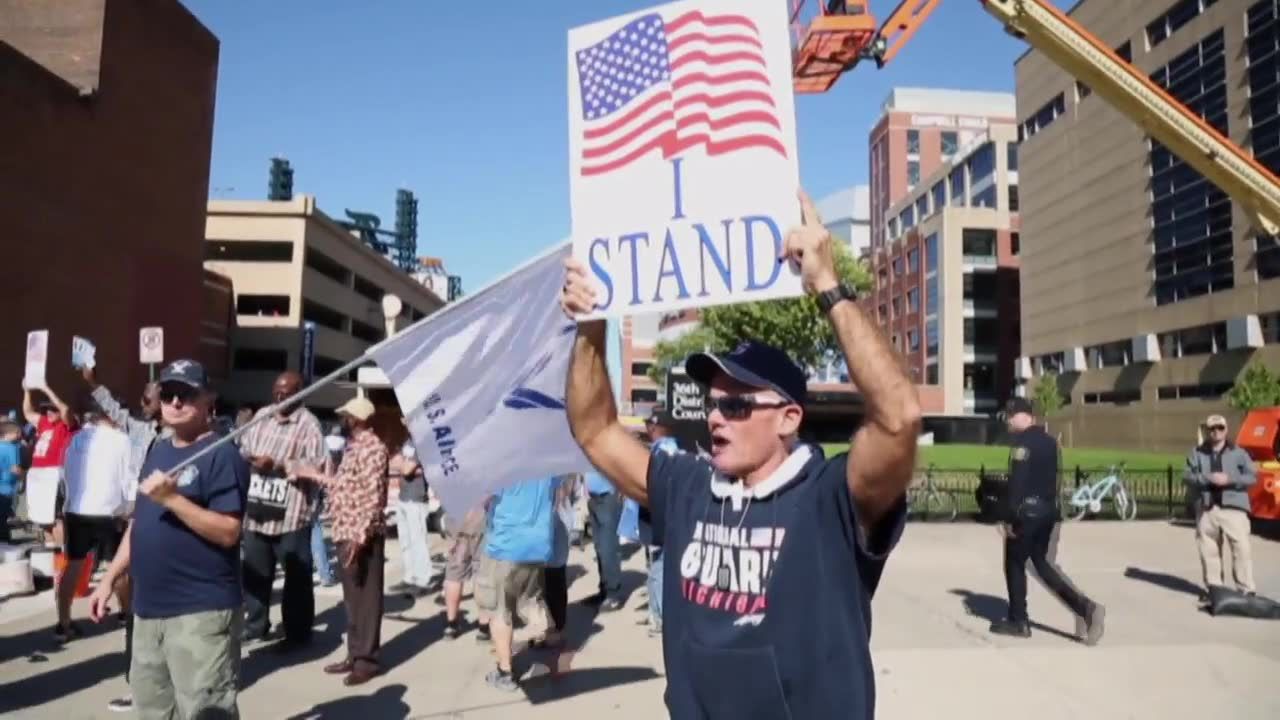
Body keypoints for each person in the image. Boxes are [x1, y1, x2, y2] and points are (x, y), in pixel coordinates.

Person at [560, 190, 920, 718]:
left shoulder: (832, 498)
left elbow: (900, 418)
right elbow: (594, 430)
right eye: (713, 403)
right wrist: (593, 323)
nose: (714, 417)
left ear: (789, 418)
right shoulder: (687, 486)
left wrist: (826, 285)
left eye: (735, 404)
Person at [87, 359, 249, 719]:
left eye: (187, 394)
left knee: (204, 712)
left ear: (209, 400)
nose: (175, 402)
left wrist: (173, 500)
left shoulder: (222, 455)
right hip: (147, 612)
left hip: (200, 612)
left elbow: (228, 531)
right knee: (152, 711)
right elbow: (139, 524)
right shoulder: (158, 452)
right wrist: (108, 579)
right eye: (169, 394)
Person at [991, 397, 1105, 644]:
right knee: (1041, 564)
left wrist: (1010, 518)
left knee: (1013, 562)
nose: (1008, 421)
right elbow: (1054, 479)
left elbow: (1018, 485)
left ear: (1025, 416)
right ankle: (1086, 608)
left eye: (1011, 416)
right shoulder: (1050, 442)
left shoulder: (1022, 445)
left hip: (1026, 515)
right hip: (1047, 513)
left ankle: (1018, 620)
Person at [294, 396, 389, 687]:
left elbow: (372, 497)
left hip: (362, 535)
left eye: (346, 416)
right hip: (345, 529)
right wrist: (314, 475)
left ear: (357, 419)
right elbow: (346, 487)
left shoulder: (373, 448)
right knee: (352, 600)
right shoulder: (354, 447)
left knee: (366, 600)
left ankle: (366, 661)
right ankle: (355, 653)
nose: (343, 420)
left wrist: (359, 540)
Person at [237, 371, 327, 648]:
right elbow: (244, 447)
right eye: (276, 390)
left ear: (300, 393)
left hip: (291, 515)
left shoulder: (310, 425)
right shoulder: (263, 414)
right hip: (257, 510)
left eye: (286, 392)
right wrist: (250, 458)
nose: (279, 396)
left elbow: (319, 466)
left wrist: (277, 464)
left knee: (296, 580)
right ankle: (256, 625)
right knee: (255, 572)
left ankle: (297, 634)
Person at [474, 476, 561, 691]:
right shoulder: (548, 466)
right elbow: (556, 495)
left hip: (505, 544)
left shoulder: (505, 465)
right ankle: (543, 633)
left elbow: (483, 497)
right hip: (538, 544)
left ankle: (505, 672)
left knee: (499, 610)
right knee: (530, 599)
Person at [56, 408, 133, 643]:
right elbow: (128, 478)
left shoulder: (76, 438)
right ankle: (126, 613)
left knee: (73, 564)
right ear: (111, 417)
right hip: (108, 509)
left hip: (76, 509)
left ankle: (63, 623)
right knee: (117, 565)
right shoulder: (121, 440)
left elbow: (64, 474)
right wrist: (128, 510)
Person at [1185, 413, 1257, 598]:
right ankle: (1215, 589)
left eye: (1220, 428)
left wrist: (1230, 479)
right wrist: (1206, 477)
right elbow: (1187, 476)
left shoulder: (1239, 452)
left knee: (1241, 548)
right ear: (1207, 431)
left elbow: (1252, 476)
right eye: (1212, 429)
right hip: (1208, 508)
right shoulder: (1197, 452)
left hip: (1233, 508)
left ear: (1226, 430)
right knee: (1208, 550)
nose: (1216, 432)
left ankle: (1246, 589)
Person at [640, 408, 679, 636]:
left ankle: (661, 617)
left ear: (661, 427)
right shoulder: (661, 450)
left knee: (659, 569)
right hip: (656, 518)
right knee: (654, 568)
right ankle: (655, 614)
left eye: (652, 425)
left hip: (661, 519)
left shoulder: (665, 451)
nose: (649, 429)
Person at [20, 380, 75, 540]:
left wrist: (46, 389)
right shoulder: (44, 423)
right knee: (43, 521)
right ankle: (50, 555)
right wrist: (27, 391)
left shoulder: (66, 425)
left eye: (53, 409)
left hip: (54, 474)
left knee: (56, 519)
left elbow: (65, 410)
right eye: (47, 409)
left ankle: (61, 556)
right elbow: (28, 413)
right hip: (37, 475)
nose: (49, 412)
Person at [387, 438, 435, 597]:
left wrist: (406, 466)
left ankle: (423, 580)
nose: (404, 419)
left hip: (416, 498)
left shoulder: (423, 441)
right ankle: (410, 577)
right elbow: (393, 463)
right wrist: (407, 466)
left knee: (418, 541)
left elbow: (406, 469)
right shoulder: (407, 442)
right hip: (403, 497)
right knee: (405, 540)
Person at [441, 501, 488, 640]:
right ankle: (484, 626)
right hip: (480, 513)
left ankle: (451, 624)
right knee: (482, 571)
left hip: (456, 513)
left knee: (454, 572)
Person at [584, 467, 624, 611]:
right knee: (599, 547)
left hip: (608, 497)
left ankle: (613, 595)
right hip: (593, 498)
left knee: (608, 548)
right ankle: (604, 589)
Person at [0, 420, 23, 543]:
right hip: (7, 486)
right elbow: (15, 468)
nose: (20, 435)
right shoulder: (12, 448)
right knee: (4, 515)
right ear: (7, 434)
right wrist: (22, 478)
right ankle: (4, 539)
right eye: (17, 432)